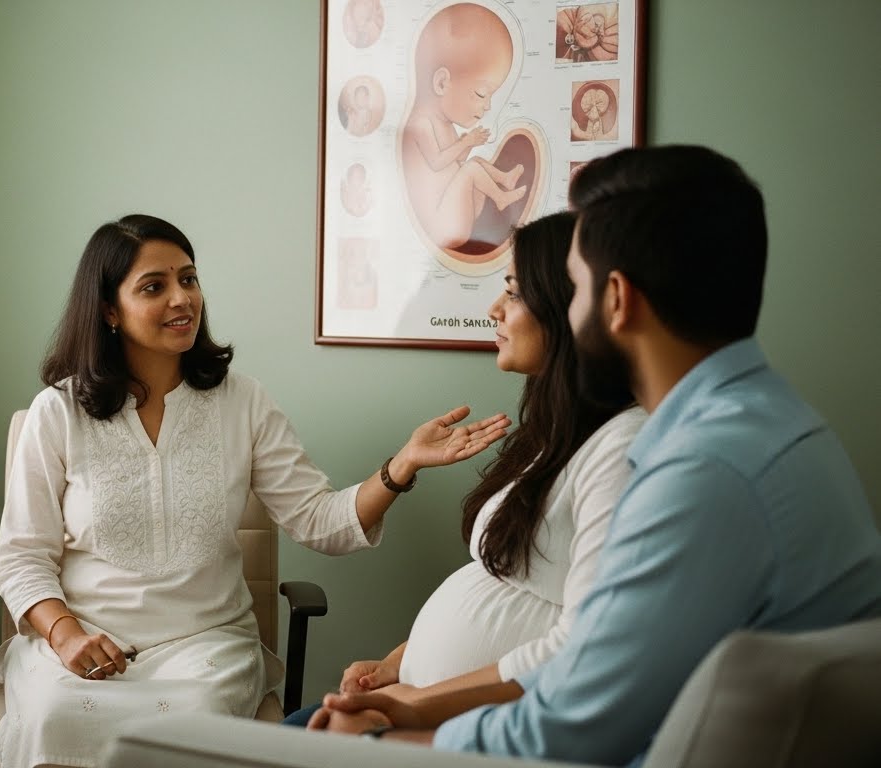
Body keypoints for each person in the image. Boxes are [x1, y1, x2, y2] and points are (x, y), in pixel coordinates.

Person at [314, 145, 881, 765]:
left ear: (617, 300)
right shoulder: (771, 423)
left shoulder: (703, 471)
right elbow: (590, 657)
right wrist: (413, 702)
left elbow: (574, 730)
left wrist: (380, 741)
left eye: (575, 286)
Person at [0, 213, 511, 768]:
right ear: (108, 310)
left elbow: (319, 519)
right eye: (154, 286)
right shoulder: (59, 412)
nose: (181, 299)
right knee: (53, 716)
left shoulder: (243, 403)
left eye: (188, 279)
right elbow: (22, 556)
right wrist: (65, 634)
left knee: (192, 723)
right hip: (83, 648)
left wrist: (401, 466)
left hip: (204, 650)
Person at [285, 211, 646, 727]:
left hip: (476, 725)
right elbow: (498, 582)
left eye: (514, 292)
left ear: (572, 307)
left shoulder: (622, 450)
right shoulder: (555, 437)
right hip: (422, 700)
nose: (495, 309)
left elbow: (583, 644)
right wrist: (397, 664)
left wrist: (406, 707)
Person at [401, 4, 526, 250]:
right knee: (470, 169)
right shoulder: (420, 124)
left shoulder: (444, 123)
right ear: (441, 83)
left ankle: (504, 180)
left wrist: (468, 146)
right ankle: (500, 197)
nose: (488, 106)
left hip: (460, 210)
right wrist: (466, 142)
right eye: (481, 94)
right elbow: (437, 163)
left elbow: (453, 165)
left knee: (474, 164)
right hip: (444, 225)